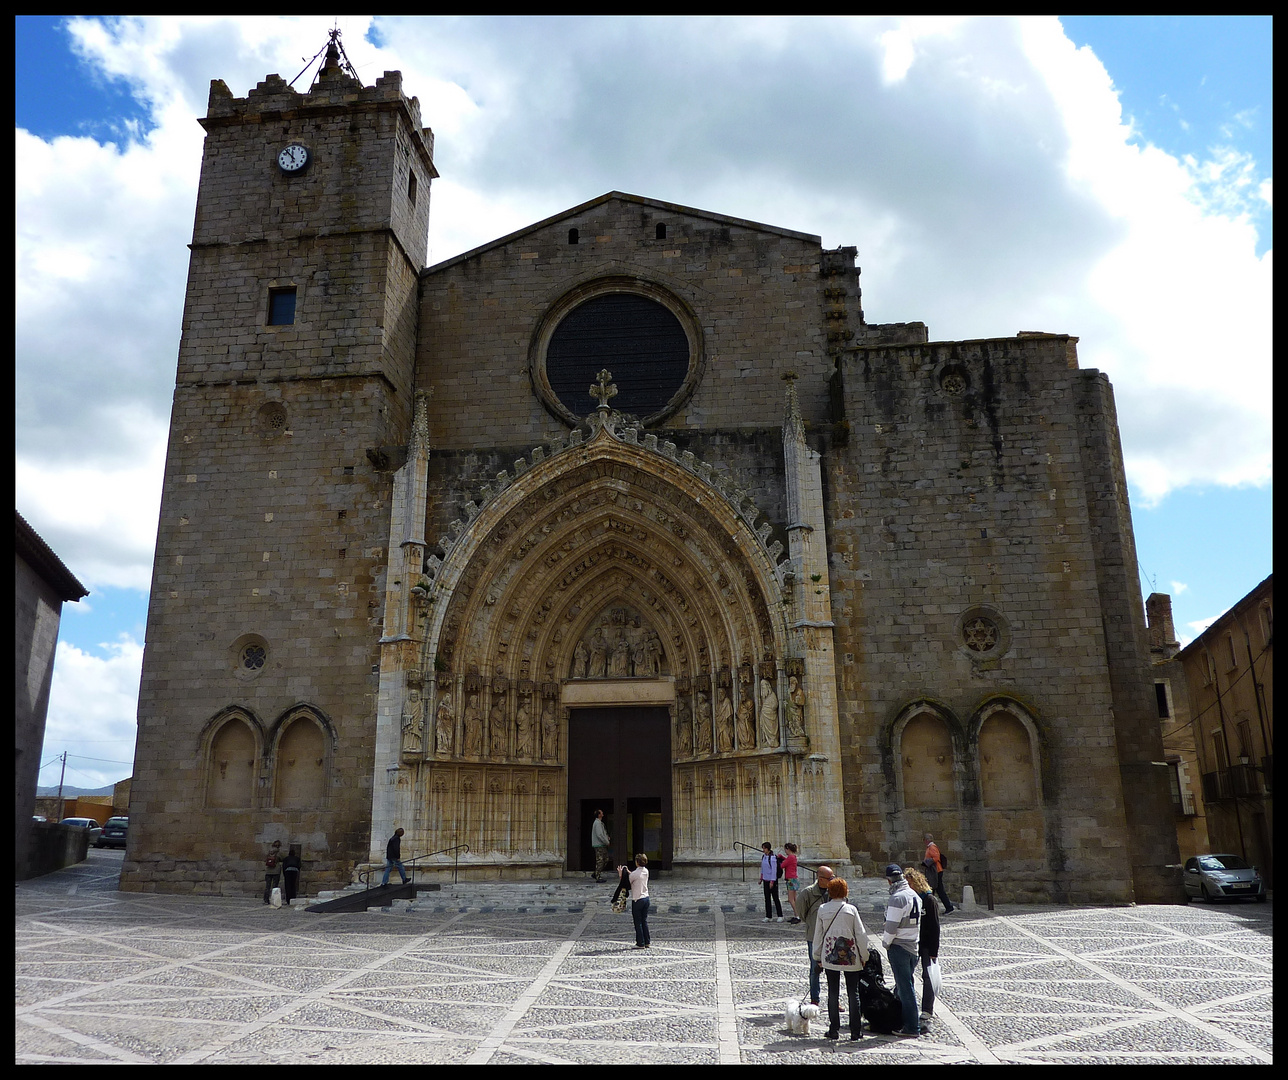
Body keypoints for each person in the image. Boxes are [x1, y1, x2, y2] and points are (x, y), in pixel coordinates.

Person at [812, 877, 870, 1040]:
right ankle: (855, 1031)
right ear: (845, 891)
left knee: (832, 993)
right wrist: (864, 955)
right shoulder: (851, 910)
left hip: (830, 957)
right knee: (853, 992)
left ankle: (834, 1029)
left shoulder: (823, 909)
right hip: (851, 958)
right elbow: (860, 934)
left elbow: (818, 935)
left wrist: (817, 956)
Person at [881, 863, 922, 1037]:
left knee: (905, 989)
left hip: (900, 947)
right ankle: (900, 1019)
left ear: (889, 881)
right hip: (914, 945)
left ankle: (912, 1027)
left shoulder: (897, 898)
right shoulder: (914, 894)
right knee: (903, 987)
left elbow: (891, 928)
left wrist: (886, 943)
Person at [904, 866, 940, 1031]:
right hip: (912, 942)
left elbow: (935, 927)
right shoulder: (910, 899)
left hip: (926, 944)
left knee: (928, 977)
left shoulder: (928, 900)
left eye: (910, 883)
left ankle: (927, 1009)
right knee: (906, 975)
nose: (908, 886)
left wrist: (934, 951)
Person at [795, 863, 835, 1006]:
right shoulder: (808, 893)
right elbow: (801, 912)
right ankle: (814, 999)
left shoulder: (834, 891)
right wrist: (813, 924)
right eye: (829, 878)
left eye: (833, 877)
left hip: (832, 937)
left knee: (833, 969)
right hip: (814, 937)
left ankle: (834, 1000)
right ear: (820, 878)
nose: (832, 880)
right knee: (815, 969)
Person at [620, 853, 651, 948]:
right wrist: (629, 872)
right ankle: (647, 941)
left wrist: (621, 875)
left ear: (637, 862)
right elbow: (636, 876)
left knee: (638, 922)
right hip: (646, 898)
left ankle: (640, 943)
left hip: (638, 900)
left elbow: (626, 883)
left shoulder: (634, 874)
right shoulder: (646, 871)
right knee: (644, 921)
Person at [923, 833, 955, 913]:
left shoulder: (932, 847)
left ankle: (947, 907)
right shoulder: (931, 847)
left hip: (935, 872)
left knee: (935, 889)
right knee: (933, 889)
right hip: (935, 871)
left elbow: (936, 858)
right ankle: (929, 907)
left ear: (927, 840)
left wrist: (926, 862)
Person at [760, 842, 783, 922]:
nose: (763, 850)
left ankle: (780, 915)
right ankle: (768, 915)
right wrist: (761, 878)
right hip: (765, 880)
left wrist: (772, 881)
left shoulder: (772, 858)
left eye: (764, 848)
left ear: (768, 848)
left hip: (772, 880)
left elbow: (774, 870)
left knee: (775, 898)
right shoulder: (764, 857)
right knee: (767, 898)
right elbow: (763, 868)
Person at [781, 843, 801, 922]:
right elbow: (787, 861)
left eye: (785, 849)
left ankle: (797, 916)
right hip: (794, 879)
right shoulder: (793, 857)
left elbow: (782, 865)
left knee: (790, 899)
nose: (785, 851)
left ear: (788, 849)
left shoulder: (790, 857)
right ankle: (797, 915)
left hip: (790, 880)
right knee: (794, 899)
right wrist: (782, 857)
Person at [591, 809, 612, 882]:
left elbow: (602, 834)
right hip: (599, 845)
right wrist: (606, 841)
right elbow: (600, 835)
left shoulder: (599, 823)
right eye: (601, 812)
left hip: (601, 845)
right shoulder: (597, 823)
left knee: (605, 859)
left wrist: (607, 838)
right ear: (599, 814)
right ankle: (598, 876)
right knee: (600, 860)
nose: (603, 813)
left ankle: (596, 873)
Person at [263, 840, 282, 904]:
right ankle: (274, 900)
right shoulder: (279, 853)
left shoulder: (269, 852)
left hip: (268, 871)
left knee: (267, 886)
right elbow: (282, 858)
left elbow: (265, 860)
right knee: (275, 886)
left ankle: (266, 899)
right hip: (276, 871)